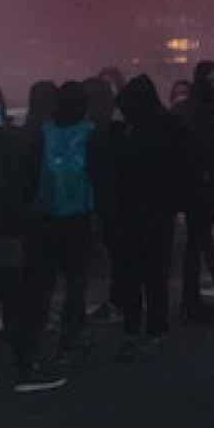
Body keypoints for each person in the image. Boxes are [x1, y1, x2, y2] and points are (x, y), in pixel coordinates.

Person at [113, 75, 185, 354]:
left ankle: (134, 325)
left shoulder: (129, 130)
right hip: (159, 210)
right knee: (157, 272)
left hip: (133, 210)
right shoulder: (168, 125)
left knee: (134, 271)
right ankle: (156, 325)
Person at [31, 80, 97, 358]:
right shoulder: (91, 132)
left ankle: (35, 338)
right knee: (76, 280)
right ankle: (71, 336)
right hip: (79, 215)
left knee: (43, 282)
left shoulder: (42, 132)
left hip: (45, 214)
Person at [174, 61, 214, 319]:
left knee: (198, 240)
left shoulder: (211, 108)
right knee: (197, 241)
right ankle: (191, 303)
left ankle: (193, 300)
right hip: (200, 184)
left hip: (209, 183)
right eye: (211, 80)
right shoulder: (194, 110)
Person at [83, 76, 126, 327]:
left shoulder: (92, 129)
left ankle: (115, 301)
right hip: (113, 198)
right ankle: (117, 300)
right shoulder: (115, 127)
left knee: (110, 253)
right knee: (116, 254)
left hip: (101, 198)